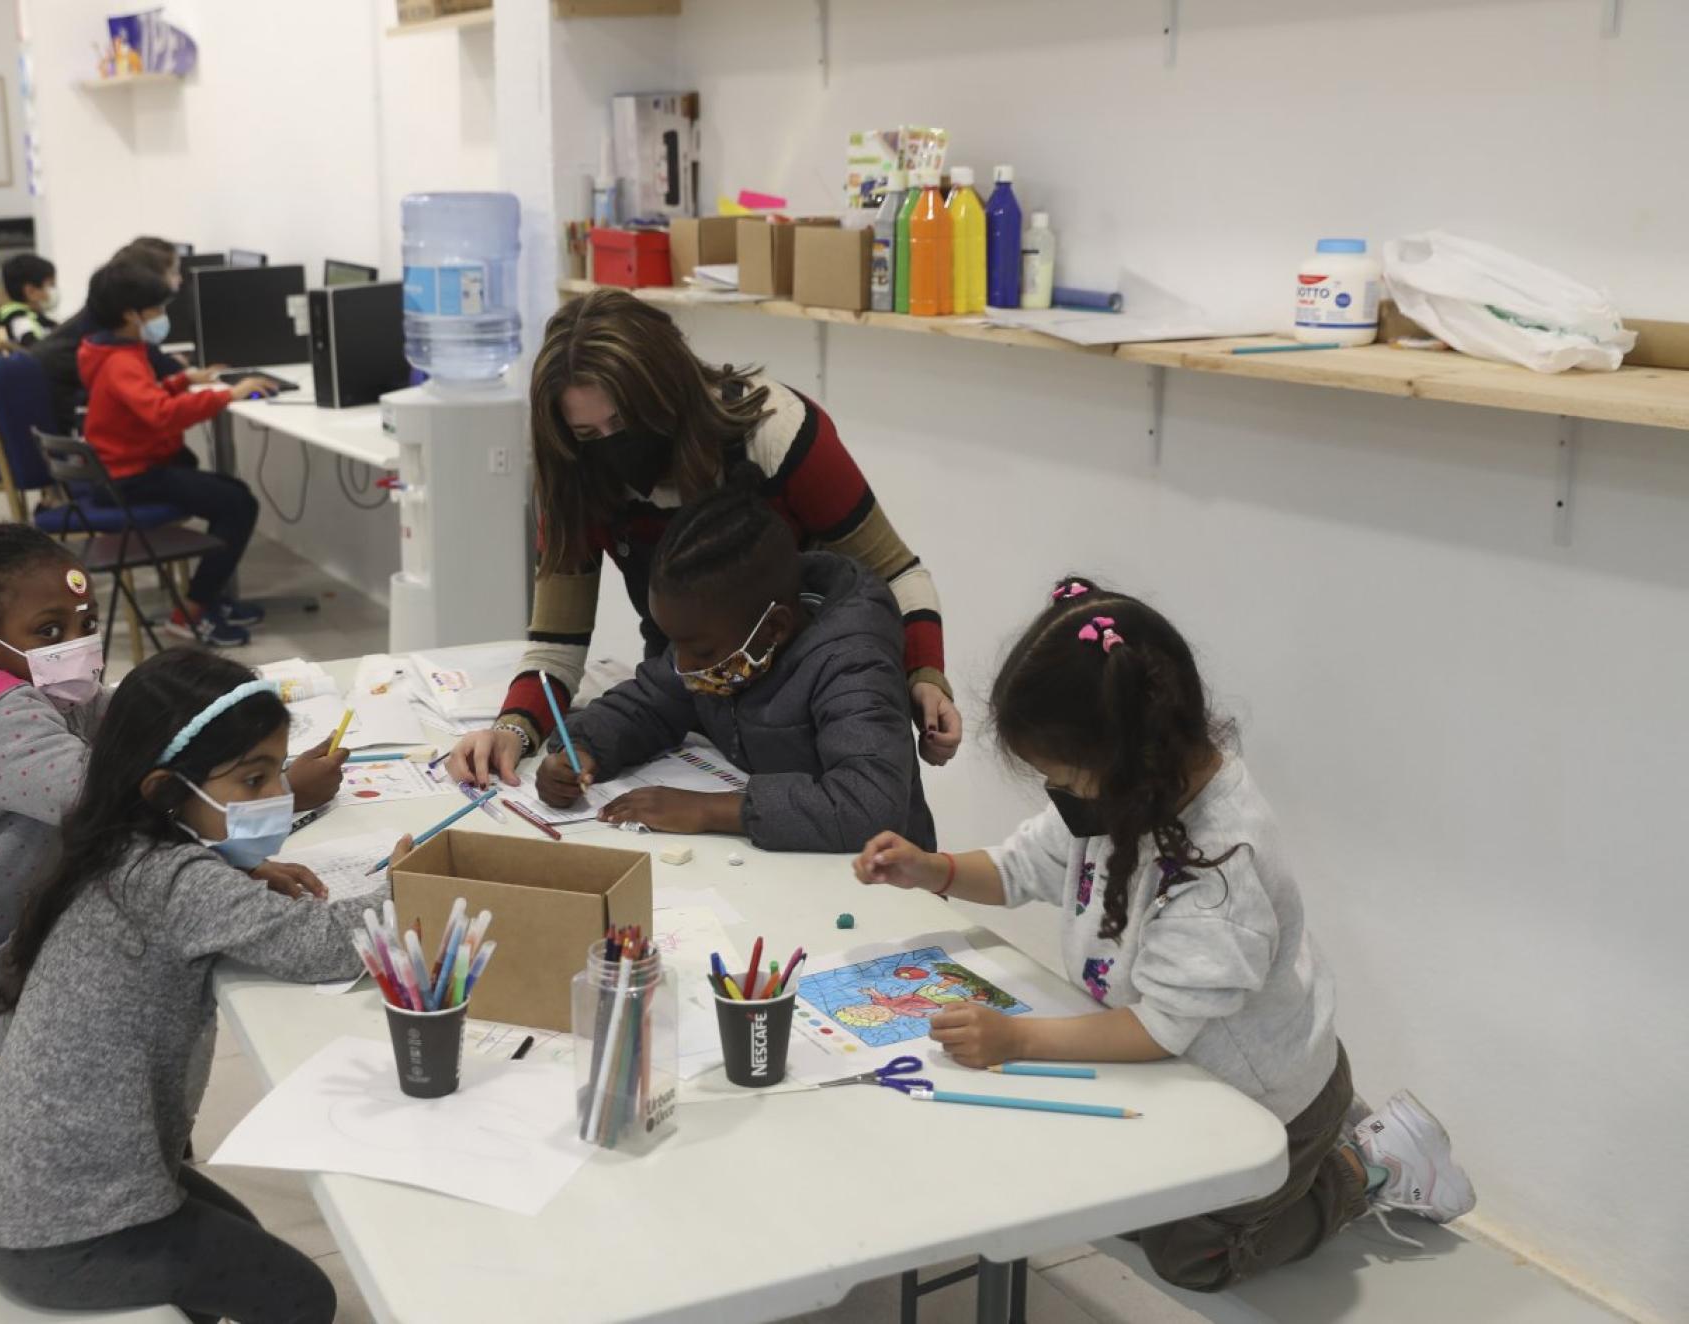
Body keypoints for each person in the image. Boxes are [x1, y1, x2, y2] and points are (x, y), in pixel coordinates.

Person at [853, 576, 1475, 1292]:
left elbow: (1160, 1028)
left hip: (1268, 1102)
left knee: (1193, 1258)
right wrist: (931, 869)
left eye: (1065, 780)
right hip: (1181, 1073)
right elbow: (1024, 865)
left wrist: (1018, 1038)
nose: (1060, 798)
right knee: (1105, 1197)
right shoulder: (1125, 793)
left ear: (1127, 761)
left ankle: (1365, 1163)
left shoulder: (1221, 869)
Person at [0, 525, 342, 1096]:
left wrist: (248, 798)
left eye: (87, 623)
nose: (78, 643)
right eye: (50, 630)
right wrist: (284, 793)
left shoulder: (51, 688)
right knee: (132, 1021)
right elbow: (118, 804)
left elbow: (143, 736)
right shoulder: (3, 723)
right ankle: (133, 1171)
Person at [0, 650, 393, 1324]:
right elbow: (326, 947)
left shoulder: (119, 851)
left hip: (27, 1192)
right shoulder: (174, 883)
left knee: (242, 1235)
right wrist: (420, 879)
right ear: (165, 793)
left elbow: (202, 901)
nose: (279, 795)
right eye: (254, 780)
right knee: (304, 1298)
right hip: (59, 1235)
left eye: (278, 771)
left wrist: (240, 872)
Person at [446, 288, 962, 788]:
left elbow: (897, 572)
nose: (613, 446)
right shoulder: (577, 474)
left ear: (669, 389)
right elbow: (557, 645)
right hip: (690, 697)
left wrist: (925, 674)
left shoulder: (772, 432)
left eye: (625, 420)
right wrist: (514, 728)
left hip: (813, 697)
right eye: (588, 433)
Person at [536, 490, 933, 851]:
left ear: (774, 627)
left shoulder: (852, 662)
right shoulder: (724, 643)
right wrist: (581, 749)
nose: (684, 666)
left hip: (884, 887)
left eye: (700, 649)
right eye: (677, 644)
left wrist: (710, 811)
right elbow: (648, 703)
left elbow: (870, 805)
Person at [77, 258, 278, 647]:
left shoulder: (106, 349)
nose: (162, 316)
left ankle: (212, 598)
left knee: (229, 493)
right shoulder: (122, 361)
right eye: (157, 308)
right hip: (129, 477)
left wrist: (182, 380)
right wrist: (228, 394)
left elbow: (142, 400)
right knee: (237, 504)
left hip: (119, 469)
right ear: (131, 314)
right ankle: (191, 611)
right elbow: (159, 415)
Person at [32, 236, 225, 433]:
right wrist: (229, 393)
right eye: (174, 272)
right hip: (70, 415)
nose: (180, 279)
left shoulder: (109, 315)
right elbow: (163, 392)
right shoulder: (119, 334)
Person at [0, 254, 59, 346]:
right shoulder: (21, 320)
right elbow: (35, 351)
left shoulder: (34, 317)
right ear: (30, 292)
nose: (54, 291)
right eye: (51, 285)